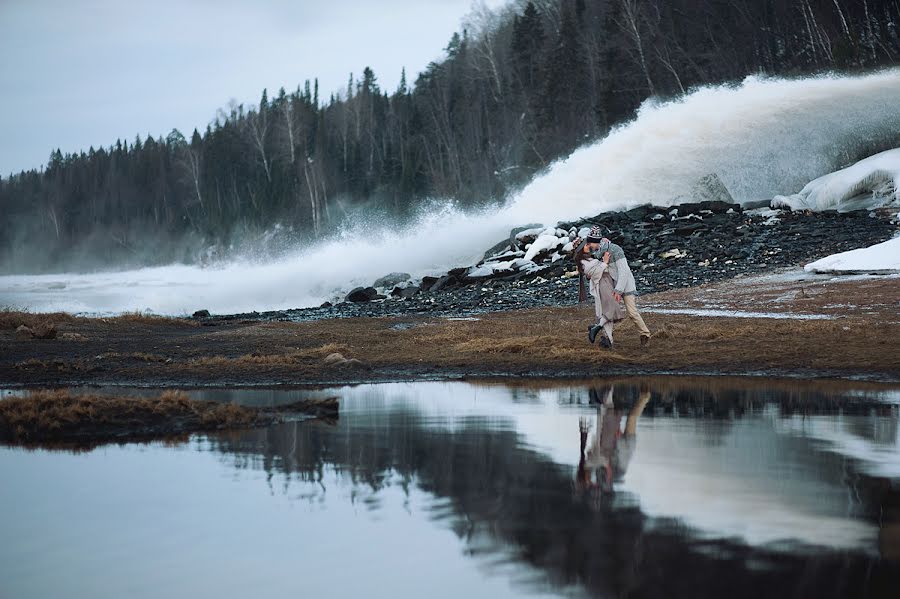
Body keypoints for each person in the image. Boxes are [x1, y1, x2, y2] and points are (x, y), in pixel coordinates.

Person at [582, 224, 651, 349]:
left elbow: (623, 271)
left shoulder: (615, 250)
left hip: (625, 285)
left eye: (591, 243)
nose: (589, 246)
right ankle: (608, 339)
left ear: (596, 242)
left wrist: (619, 290)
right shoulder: (598, 252)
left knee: (632, 312)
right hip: (611, 286)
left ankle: (645, 334)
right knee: (610, 310)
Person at [574, 237, 624, 348]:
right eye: (586, 246)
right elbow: (595, 273)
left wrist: (605, 242)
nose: (589, 246)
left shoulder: (589, 258)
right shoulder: (583, 262)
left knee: (608, 311)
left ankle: (608, 340)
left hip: (607, 282)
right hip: (602, 284)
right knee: (611, 308)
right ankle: (597, 328)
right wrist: (605, 262)